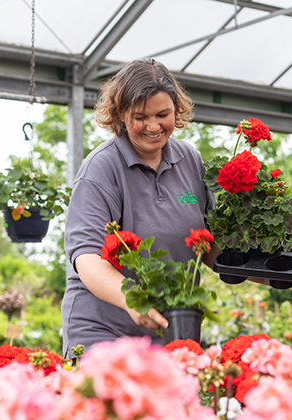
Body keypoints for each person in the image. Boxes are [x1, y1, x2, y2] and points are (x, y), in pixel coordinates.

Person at [61, 59, 219, 357]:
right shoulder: (102, 167)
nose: (153, 126)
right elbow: (87, 258)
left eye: (163, 114)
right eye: (140, 116)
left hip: (170, 330)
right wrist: (134, 300)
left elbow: (209, 244)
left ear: (177, 109)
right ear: (120, 114)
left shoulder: (189, 161)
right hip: (103, 333)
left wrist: (268, 269)